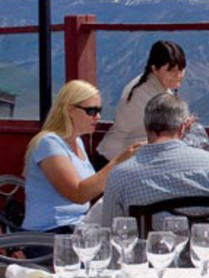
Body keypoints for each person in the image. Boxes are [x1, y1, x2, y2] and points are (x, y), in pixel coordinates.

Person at [100, 93, 209, 232]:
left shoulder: (120, 176)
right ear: (182, 127)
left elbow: (110, 230)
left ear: (146, 125)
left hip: (153, 252)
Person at [22, 80, 139, 232]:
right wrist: (118, 161)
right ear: (70, 110)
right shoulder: (49, 143)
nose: (97, 117)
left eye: (99, 110)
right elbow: (77, 194)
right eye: (91, 111)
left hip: (77, 227)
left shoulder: (77, 142)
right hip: (50, 233)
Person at [96, 40, 186, 167]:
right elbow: (166, 133)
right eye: (170, 70)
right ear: (154, 68)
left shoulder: (154, 85)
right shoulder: (146, 93)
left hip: (123, 158)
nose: (178, 75)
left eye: (181, 69)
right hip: (116, 161)